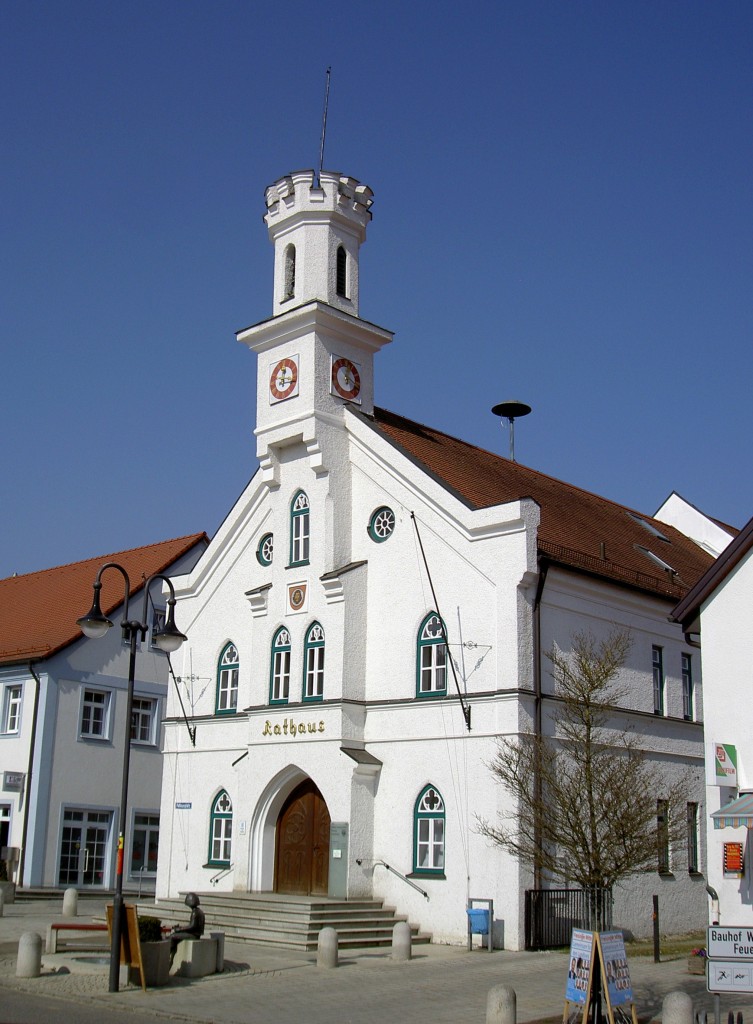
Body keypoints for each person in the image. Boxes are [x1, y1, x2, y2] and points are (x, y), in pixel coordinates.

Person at [169, 892, 205, 966]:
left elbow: (192, 926)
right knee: (175, 935)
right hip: (195, 934)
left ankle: (170, 957)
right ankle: (172, 954)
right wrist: (180, 928)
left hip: (194, 935)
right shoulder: (199, 911)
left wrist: (180, 929)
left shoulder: (195, 912)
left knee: (172, 936)